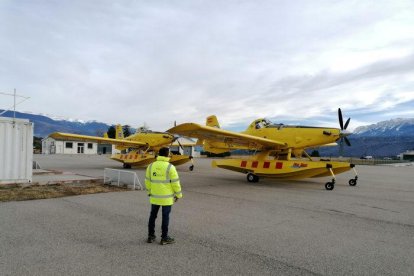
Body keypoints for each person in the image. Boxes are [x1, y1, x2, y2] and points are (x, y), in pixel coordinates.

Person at [145, 147, 183, 245]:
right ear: (167, 154)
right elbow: (175, 183)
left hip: (154, 197)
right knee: (165, 217)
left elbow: (147, 181)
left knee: (152, 216)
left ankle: (150, 236)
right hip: (167, 198)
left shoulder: (151, 166)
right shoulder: (170, 167)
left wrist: (149, 192)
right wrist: (178, 195)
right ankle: (164, 238)